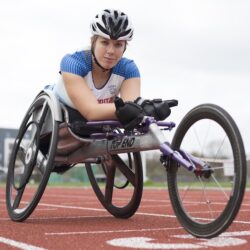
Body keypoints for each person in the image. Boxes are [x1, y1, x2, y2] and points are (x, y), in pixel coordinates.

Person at [52, 8, 171, 131]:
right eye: (104, 42)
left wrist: (148, 109)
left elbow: (130, 110)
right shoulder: (73, 62)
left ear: (125, 47)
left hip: (97, 127)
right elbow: (91, 111)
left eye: (118, 45)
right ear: (93, 42)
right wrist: (138, 108)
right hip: (56, 124)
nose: (111, 51)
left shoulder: (128, 69)